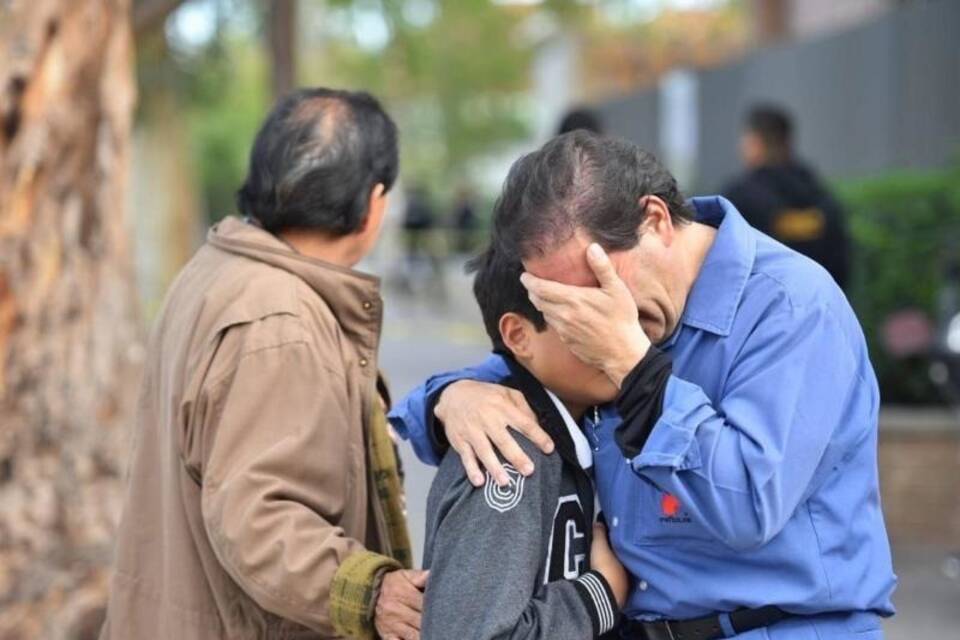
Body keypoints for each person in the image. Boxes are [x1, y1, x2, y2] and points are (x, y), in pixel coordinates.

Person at [390, 131, 896, 639]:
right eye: (562, 306)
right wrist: (451, 397)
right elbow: (507, 380)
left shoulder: (791, 308)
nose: (587, 321)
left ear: (654, 220)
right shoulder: (600, 325)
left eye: (597, 287)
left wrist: (634, 366)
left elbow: (746, 505)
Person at [101, 88, 426, 640]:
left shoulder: (216, 271)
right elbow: (258, 518)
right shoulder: (280, 322)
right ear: (373, 203)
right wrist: (370, 592)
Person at [421, 246, 627, 639]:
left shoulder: (581, 431)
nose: (617, 333)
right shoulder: (510, 452)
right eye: (584, 315)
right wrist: (598, 596)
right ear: (519, 335)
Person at [723, 104, 851, 290]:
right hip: (818, 302)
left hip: (762, 306)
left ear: (755, 143)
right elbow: (841, 263)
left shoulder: (740, 198)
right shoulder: (821, 196)